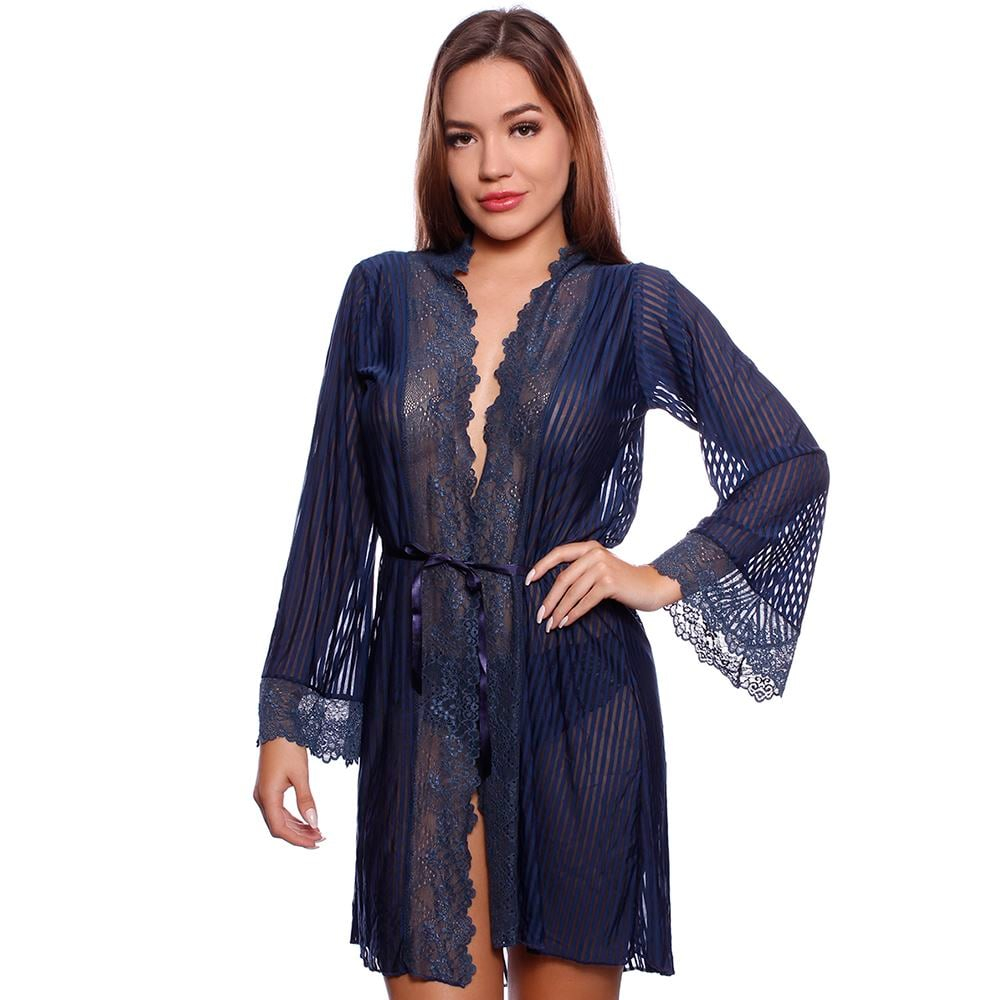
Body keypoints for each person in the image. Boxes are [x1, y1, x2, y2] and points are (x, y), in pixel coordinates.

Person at [252, 8, 830, 1000]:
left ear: (572, 133)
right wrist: (283, 715)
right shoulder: (380, 295)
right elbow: (333, 520)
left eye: (522, 127)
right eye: (462, 137)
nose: (493, 166)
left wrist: (657, 576)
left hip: (577, 696)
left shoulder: (635, 305)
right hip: (418, 698)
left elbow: (789, 461)